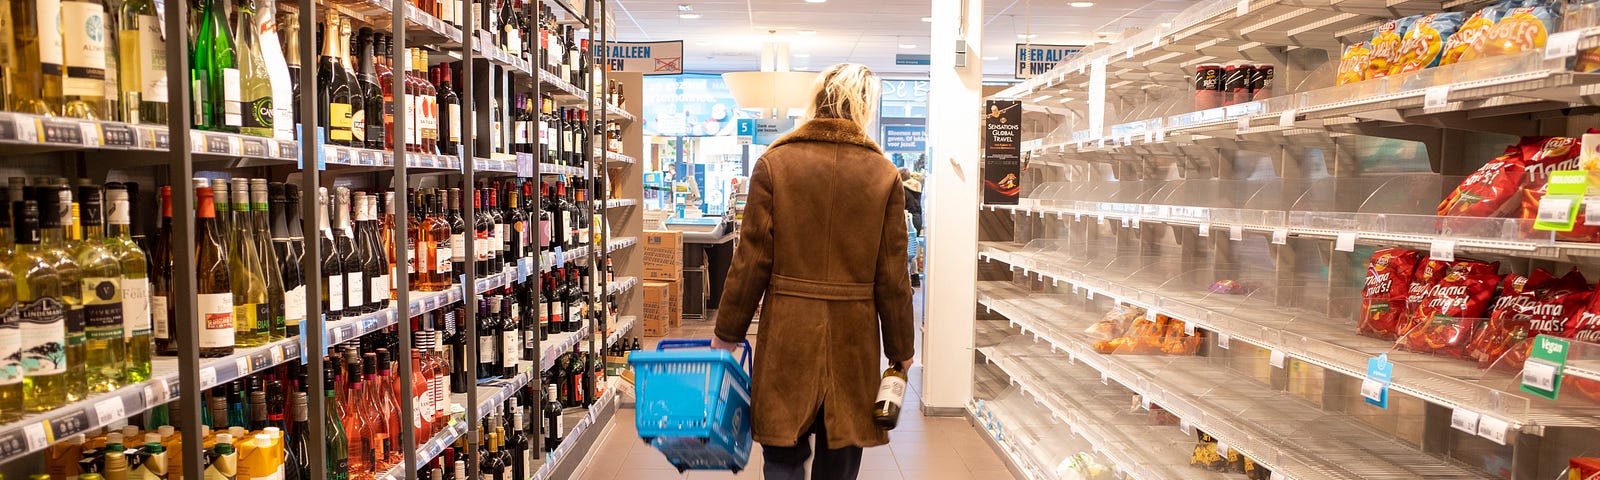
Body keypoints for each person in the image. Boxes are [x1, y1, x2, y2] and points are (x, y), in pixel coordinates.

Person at [712, 63, 916, 480]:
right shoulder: (883, 175)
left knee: (783, 454)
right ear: (863, 107)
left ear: (816, 100)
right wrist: (900, 349)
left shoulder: (776, 163)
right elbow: (893, 276)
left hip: (789, 331)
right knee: (840, 456)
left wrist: (727, 333)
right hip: (853, 338)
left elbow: (751, 261)